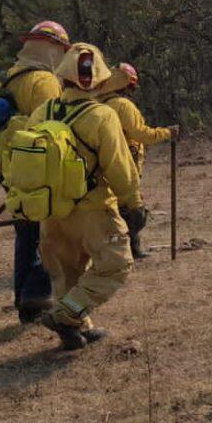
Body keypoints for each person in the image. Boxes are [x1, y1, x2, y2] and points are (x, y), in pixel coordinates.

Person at [30, 43, 141, 351]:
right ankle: (67, 315)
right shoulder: (101, 115)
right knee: (116, 264)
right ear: (99, 80)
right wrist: (133, 202)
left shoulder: (42, 111)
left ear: (63, 77)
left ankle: (75, 328)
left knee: (67, 271)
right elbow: (119, 166)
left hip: (51, 210)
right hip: (93, 208)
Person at [0, 20, 68, 324]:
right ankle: (37, 292)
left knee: (26, 233)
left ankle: (26, 304)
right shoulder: (44, 81)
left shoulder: (7, 79)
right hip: (38, 166)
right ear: (52, 48)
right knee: (55, 232)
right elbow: (57, 127)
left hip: (10, 167)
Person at [97, 63, 176, 259]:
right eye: (130, 87)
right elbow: (141, 134)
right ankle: (120, 251)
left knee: (117, 208)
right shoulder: (123, 106)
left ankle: (132, 249)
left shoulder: (95, 105)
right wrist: (168, 133)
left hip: (101, 166)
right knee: (135, 213)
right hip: (124, 166)